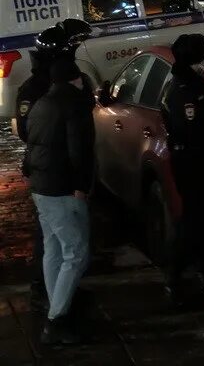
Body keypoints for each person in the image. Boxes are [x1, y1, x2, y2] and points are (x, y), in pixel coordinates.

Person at [22, 57, 95, 345]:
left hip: (42, 186)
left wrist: (28, 173)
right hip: (62, 188)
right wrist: (81, 185)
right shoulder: (74, 105)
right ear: (76, 79)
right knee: (76, 252)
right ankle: (57, 320)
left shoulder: (42, 103)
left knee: (53, 249)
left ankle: (57, 309)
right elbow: (80, 149)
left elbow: (30, 144)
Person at [160, 34, 204, 305]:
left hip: (191, 160)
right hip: (193, 162)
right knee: (192, 221)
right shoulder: (187, 90)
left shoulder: (180, 85)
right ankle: (176, 274)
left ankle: (197, 269)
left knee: (199, 219)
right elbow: (193, 127)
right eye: (203, 58)